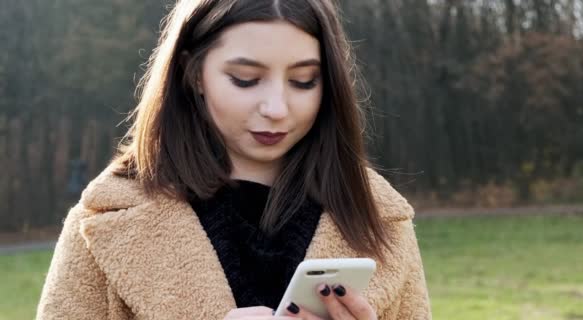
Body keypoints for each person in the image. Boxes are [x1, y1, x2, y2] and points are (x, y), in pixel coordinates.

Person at [36, 0, 431, 319]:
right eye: (245, 79)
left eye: (303, 81)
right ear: (193, 73)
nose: (277, 108)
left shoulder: (378, 216)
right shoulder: (106, 218)